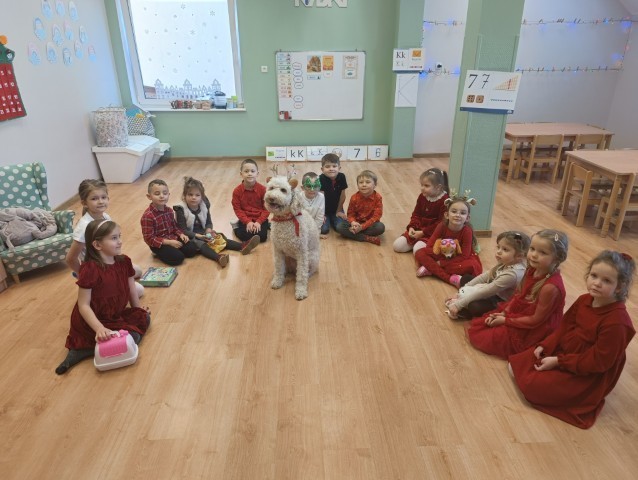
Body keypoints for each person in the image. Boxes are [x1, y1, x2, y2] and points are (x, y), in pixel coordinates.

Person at [508, 251, 635, 429]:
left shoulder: (618, 322)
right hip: (567, 353)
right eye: (594, 276)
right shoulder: (584, 300)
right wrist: (546, 345)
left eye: (606, 281)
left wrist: (559, 361)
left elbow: (598, 362)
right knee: (516, 364)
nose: (597, 283)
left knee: (531, 386)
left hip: (587, 370)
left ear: (620, 287)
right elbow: (564, 327)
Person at [55, 220, 150, 374]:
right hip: (93, 321)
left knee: (144, 318)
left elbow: (132, 289)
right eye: (114, 238)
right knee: (128, 337)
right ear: (97, 245)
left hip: (115, 315)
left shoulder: (124, 261)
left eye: (119, 236)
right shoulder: (90, 269)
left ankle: (98, 348)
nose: (120, 241)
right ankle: (82, 351)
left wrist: (137, 310)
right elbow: (83, 305)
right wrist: (99, 328)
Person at [467, 229, 568, 360]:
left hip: (537, 328)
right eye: (532, 249)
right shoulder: (531, 269)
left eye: (542, 252)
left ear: (558, 258)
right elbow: (517, 295)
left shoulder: (550, 287)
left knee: (491, 337)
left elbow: (536, 320)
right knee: (486, 324)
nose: (534, 255)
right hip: (522, 313)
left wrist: (506, 320)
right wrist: (504, 313)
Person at [65, 180, 145, 297]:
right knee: (139, 291)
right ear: (84, 203)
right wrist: (84, 276)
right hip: (98, 269)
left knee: (138, 271)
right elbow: (70, 258)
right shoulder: (83, 227)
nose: (101, 201)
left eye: (103, 197)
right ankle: (95, 287)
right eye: (94, 199)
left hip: (110, 261)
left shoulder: (106, 216)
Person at [173, 176, 260, 268]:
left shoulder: (204, 205)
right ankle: (218, 257)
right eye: (190, 195)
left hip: (203, 232)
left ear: (202, 196)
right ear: (184, 195)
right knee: (202, 244)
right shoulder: (181, 209)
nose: (193, 197)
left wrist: (208, 230)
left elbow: (208, 222)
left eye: (197, 195)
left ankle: (242, 246)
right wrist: (198, 236)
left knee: (219, 237)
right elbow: (183, 230)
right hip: (190, 236)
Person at [446, 231, 530, 320]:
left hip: (501, 300)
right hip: (493, 290)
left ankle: (467, 312)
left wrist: (459, 304)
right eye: (498, 247)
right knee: (466, 278)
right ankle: (465, 300)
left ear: (519, 256)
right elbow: (485, 276)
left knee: (475, 307)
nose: (499, 252)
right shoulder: (508, 261)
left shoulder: (512, 274)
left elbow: (486, 291)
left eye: (505, 249)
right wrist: (460, 293)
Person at [414, 194, 482, 287]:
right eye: (454, 211)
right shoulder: (441, 226)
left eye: (462, 213)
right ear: (446, 215)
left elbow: (464, 256)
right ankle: (449, 278)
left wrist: (442, 263)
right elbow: (429, 246)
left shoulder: (467, 231)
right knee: (420, 253)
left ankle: (431, 269)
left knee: (472, 265)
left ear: (467, 218)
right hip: (441, 254)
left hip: (457, 258)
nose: (457, 215)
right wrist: (441, 256)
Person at [141, 179, 198, 266]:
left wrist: (181, 234)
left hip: (172, 237)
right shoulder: (147, 216)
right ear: (149, 196)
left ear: (168, 195)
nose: (162, 196)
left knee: (192, 250)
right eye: (157, 194)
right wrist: (169, 242)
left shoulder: (169, 211)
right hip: (159, 243)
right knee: (178, 258)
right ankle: (157, 253)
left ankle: (174, 250)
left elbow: (174, 227)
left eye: (165, 193)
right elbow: (149, 238)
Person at [393, 167, 449, 254]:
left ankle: (423, 244)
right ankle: (417, 242)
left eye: (426, 186)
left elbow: (441, 223)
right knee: (397, 246)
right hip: (418, 229)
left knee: (418, 251)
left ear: (438, 187)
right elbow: (416, 214)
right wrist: (412, 227)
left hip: (432, 233)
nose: (422, 188)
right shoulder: (422, 196)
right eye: (421, 185)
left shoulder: (445, 200)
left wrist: (423, 232)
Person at [335, 170, 384, 245]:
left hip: (369, 224)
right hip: (356, 223)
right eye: (361, 182)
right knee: (339, 227)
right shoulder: (354, 197)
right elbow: (350, 214)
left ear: (375, 184)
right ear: (357, 185)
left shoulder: (378, 198)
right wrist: (353, 223)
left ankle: (352, 233)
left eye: (368, 182)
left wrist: (362, 227)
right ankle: (366, 238)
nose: (364, 185)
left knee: (380, 227)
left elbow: (376, 216)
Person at [231, 159, 270, 243]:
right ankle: (235, 227)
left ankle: (266, 225)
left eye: (252, 171)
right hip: (245, 217)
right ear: (241, 174)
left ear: (257, 173)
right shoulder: (237, 191)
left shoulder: (263, 190)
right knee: (245, 237)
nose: (249, 174)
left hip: (259, 217)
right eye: (246, 171)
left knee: (262, 237)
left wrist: (259, 222)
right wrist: (247, 222)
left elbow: (267, 208)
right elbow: (237, 209)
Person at [319, 153, 348, 235]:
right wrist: (321, 214)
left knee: (340, 227)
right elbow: (320, 198)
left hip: (337, 208)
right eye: (327, 166)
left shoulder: (342, 177)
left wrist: (338, 211)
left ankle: (333, 218)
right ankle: (329, 218)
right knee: (324, 230)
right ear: (322, 169)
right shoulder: (321, 178)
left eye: (334, 166)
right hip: (324, 210)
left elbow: (342, 196)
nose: (331, 169)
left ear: (339, 168)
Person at [298, 171, 326, 237]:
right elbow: (298, 217)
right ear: (302, 188)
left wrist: (315, 234)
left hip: (314, 222)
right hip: (302, 224)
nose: (312, 189)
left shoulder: (321, 197)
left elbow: (319, 216)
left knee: (324, 229)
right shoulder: (298, 197)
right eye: (308, 186)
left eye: (316, 186)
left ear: (319, 187)